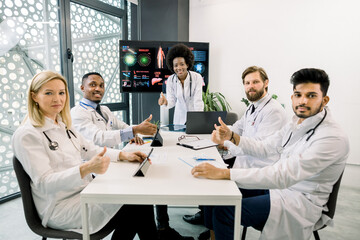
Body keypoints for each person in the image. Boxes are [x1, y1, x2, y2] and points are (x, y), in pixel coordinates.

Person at [192, 68, 349, 240]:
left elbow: (283, 175)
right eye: (298, 94)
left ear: (324, 100)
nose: (302, 101)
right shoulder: (296, 123)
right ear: (292, 97)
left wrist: (225, 173)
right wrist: (232, 137)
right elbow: (265, 147)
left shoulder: (332, 137)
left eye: (311, 95)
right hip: (278, 188)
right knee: (217, 195)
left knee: (225, 211)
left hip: (300, 201)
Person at [12, 71, 158, 240]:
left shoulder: (63, 124)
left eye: (61, 93)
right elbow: (44, 183)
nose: (57, 99)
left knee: (138, 197)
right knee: (136, 205)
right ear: (34, 96)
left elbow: (89, 149)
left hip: (84, 191)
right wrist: (85, 168)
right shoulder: (27, 134)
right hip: (60, 207)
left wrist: (124, 155)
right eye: (48, 93)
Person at [183, 66, 287, 229]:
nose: (250, 86)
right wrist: (221, 133)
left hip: (259, 177)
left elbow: (260, 147)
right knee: (210, 184)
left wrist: (227, 143)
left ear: (266, 83)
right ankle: (211, 231)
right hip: (245, 165)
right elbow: (237, 128)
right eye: (247, 83)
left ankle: (214, 230)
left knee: (214, 189)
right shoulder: (253, 106)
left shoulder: (274, 111)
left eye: (255, 82)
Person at [71, 72, 157, 148]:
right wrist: (135, 130)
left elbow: (121, 126)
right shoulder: (77, 112)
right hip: (92, 162)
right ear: (82, 88)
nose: (98, 89)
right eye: (93, 85)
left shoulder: (104, 109)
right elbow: (99, 137)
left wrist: (133, 134)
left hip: (110, 157)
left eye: (101, 86)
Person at [158, 43, 204, 125]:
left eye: (182, 64)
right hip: (179, 120)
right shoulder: (171, 80)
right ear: (172, 67)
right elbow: (171, 102)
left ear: (187, 64)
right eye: (176, 65)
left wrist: (199, 121)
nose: (179, 68)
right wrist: (165, 102)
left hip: (194, 117)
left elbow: (198, 101)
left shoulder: (197, 77)